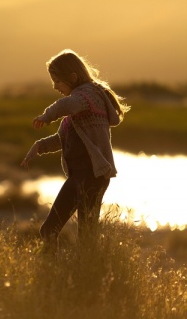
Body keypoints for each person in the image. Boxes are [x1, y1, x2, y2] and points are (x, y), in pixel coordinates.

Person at [20, 49, 129, 252]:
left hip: (92, 175)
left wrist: (46, 116)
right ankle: (53, 271)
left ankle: (88, 276)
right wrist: (39, 147)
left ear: (73, 77)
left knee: (86, 236)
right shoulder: (76, 110)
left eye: (57, 81)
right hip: (78, 176)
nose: (55, 87)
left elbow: (66, 104)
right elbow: (63, 140)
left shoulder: (89, 96)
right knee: (48, 230)